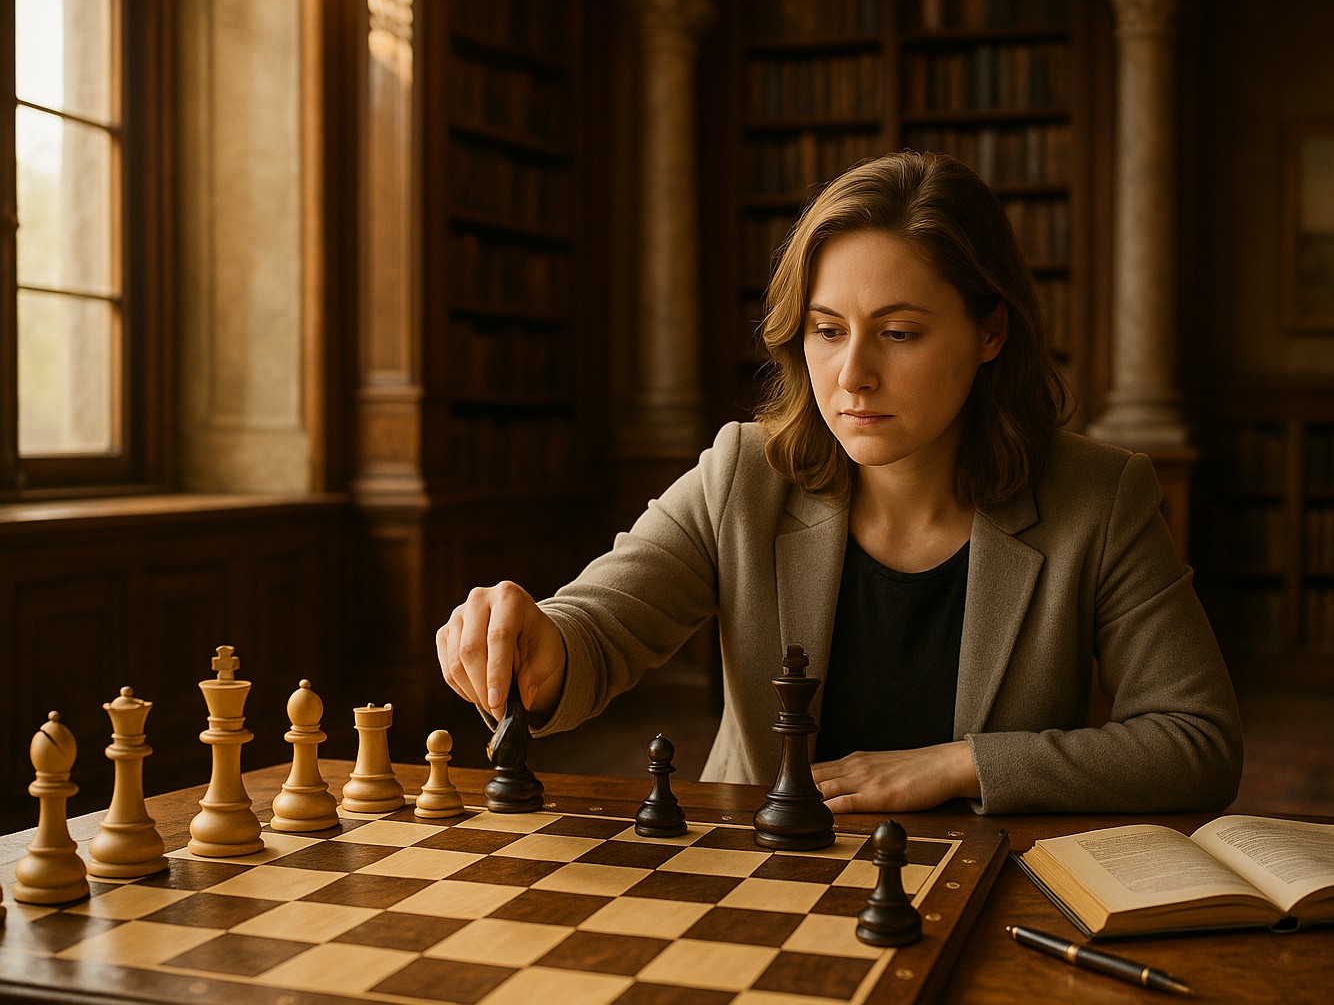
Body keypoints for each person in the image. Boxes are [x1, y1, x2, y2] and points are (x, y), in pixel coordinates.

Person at [436, 150, 1242, 816]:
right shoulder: (744, 473)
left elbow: (1196, 740)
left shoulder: (1099, 498)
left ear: (991, 330)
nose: (852, 375)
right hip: (763, 875)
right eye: (827, 330)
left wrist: (961, 764)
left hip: (987, 883)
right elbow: (597, 629)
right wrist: (537, 644)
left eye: (900, 333)